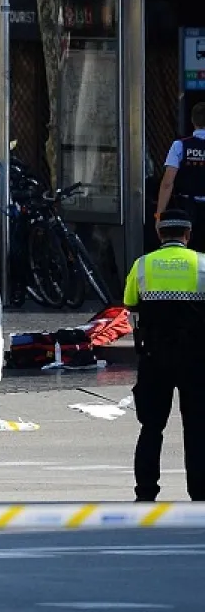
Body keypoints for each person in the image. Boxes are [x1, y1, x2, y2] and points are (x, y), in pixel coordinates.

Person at [123, 208, 205, 503]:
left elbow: (130, 304)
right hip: (197, 360)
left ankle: (146, 492)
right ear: (188, 234)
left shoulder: (143, 266)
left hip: (154, 357)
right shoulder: (202, 265)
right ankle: (200, 493)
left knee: (151, 427)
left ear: (160, 234)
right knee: (197, 428)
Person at [155, 103, 205, 234]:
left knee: (187, 249)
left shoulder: (180, 145)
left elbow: (167, 183)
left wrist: (159, 215)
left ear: (193, 121)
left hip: (187, 208)